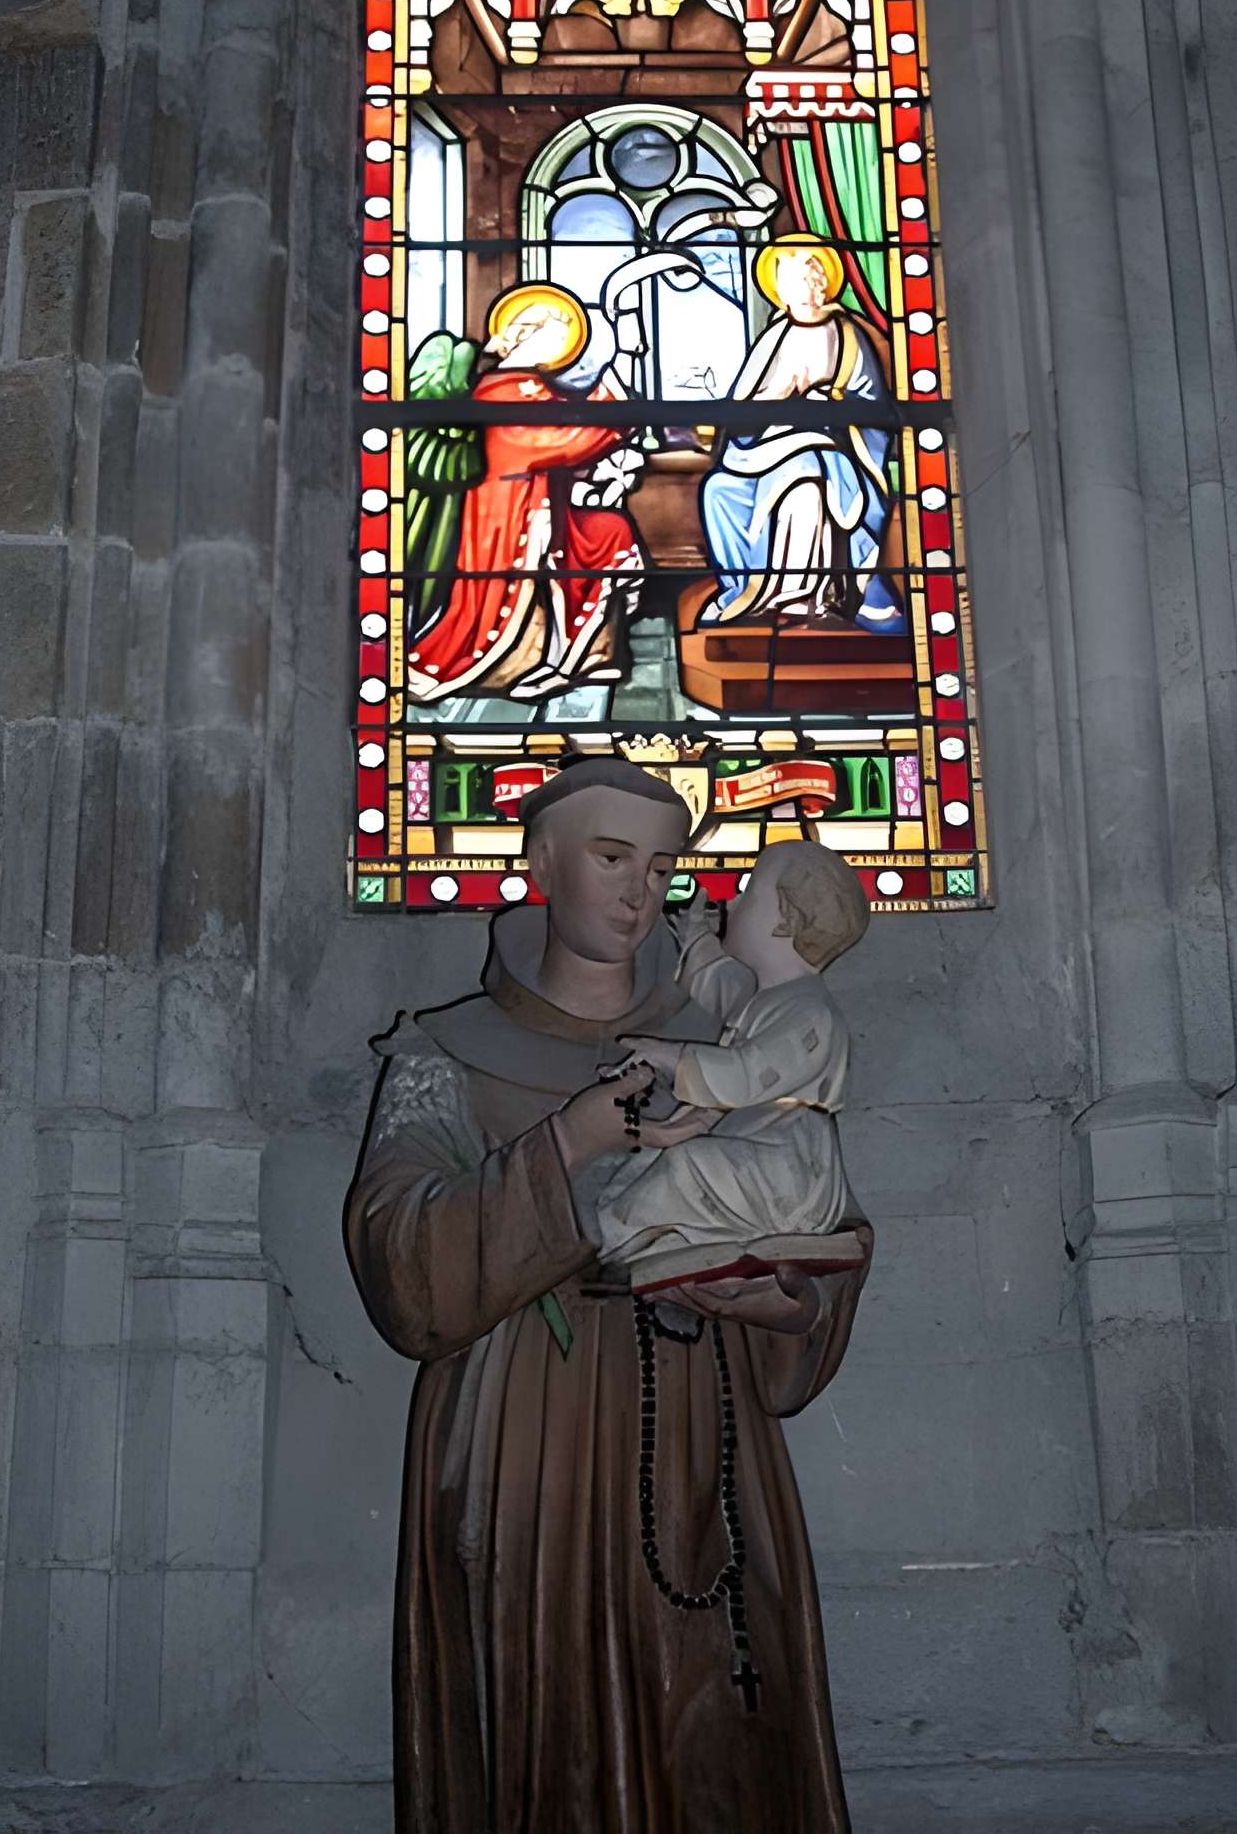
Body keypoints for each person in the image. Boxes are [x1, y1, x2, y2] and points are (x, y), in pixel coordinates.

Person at [344, 758, 870, 1832]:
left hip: (705, 1450)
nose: (640, 891)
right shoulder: (444, 1053)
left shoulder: (732, 1043)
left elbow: (807, 1217)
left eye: (664, 867)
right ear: (540, 862)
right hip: (526, 1456)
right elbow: (404, 1268)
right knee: (552, 1754)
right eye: (611, 856)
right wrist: (578, 1136)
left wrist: (791, 1312)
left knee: (720, 1743)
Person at [597, 843, 869, 1289]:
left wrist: (669, 1055)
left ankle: (629, 1242)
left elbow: (747, 1074)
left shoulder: (812, 1013)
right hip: (751, 1142)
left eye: (748, 891)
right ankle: (634, 1239)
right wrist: (698, 940)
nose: (733, 901)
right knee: (650, 1157)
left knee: (688, 1164)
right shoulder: (772, 997)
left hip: (787, 1169)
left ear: (786, 921)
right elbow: (722, 992)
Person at [407, 283, 645, 705]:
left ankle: (586, 657)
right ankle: (521, 661)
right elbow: (565, 439)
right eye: (557, 329)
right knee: (588, 544)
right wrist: (614, 402)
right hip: (505, 519)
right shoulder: (500, 392)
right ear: (526, 335)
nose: (564, 341)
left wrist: (621, 368)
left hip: (544, 513)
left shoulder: (528, 387)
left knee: (611, 531)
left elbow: (568, 426)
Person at [698, 240, 903, 628]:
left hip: (833, 446)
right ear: (781, 289)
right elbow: (742, 411)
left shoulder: (845, 335)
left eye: (813, 276)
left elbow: (872, 404)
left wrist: (828, 399)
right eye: (795, 279)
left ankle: (800, 593)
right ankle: (748, 590)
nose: (808, 285)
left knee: (803, 479)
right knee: (717, 491)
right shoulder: (774, 338)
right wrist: (776, 397)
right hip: (765, 448)